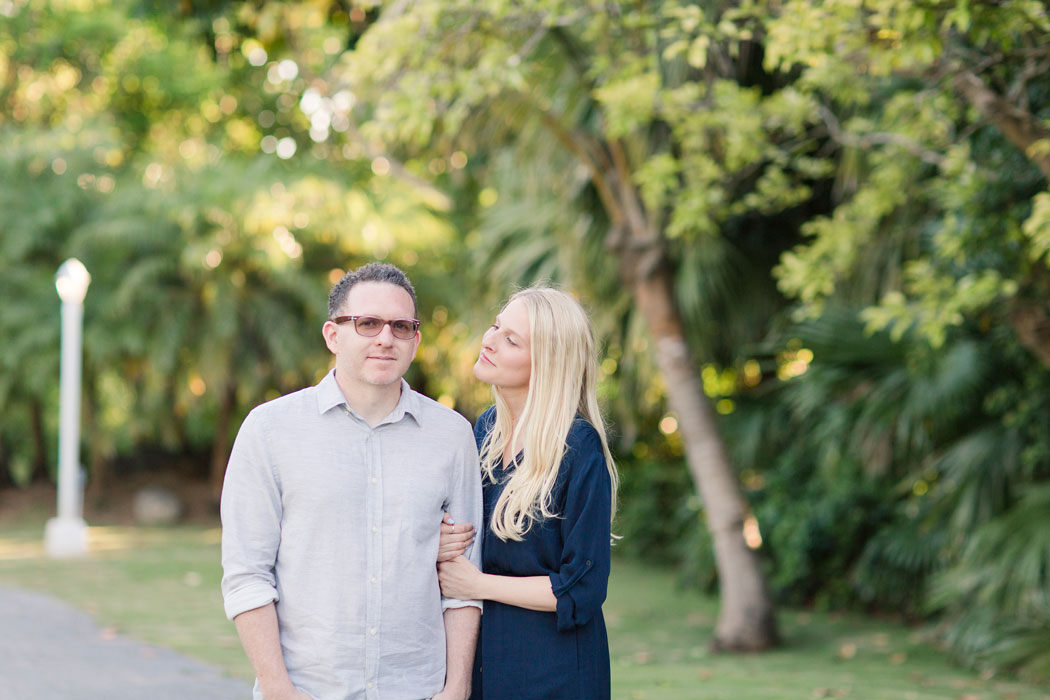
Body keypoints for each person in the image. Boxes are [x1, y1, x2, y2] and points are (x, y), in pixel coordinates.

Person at [220, 262, 483, 700]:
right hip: (308, 690)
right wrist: (279, 690)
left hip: (416, 689)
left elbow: (464, 580)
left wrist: (455, 689)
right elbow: (247, 575)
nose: (385, 338)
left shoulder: (452, 436)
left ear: (416, 341)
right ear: (333, 335)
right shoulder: (270, 430)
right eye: (367, 323)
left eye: (401, 326)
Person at [436, 287, 618, 700]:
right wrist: (440, 542)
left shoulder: (577, 445)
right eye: (497, 326)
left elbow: (582, 590)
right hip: (482, 661)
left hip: (553, 671)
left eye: (511, 339)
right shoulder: (483, 431)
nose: (489, 339)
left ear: (548, 364)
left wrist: (479, 584)